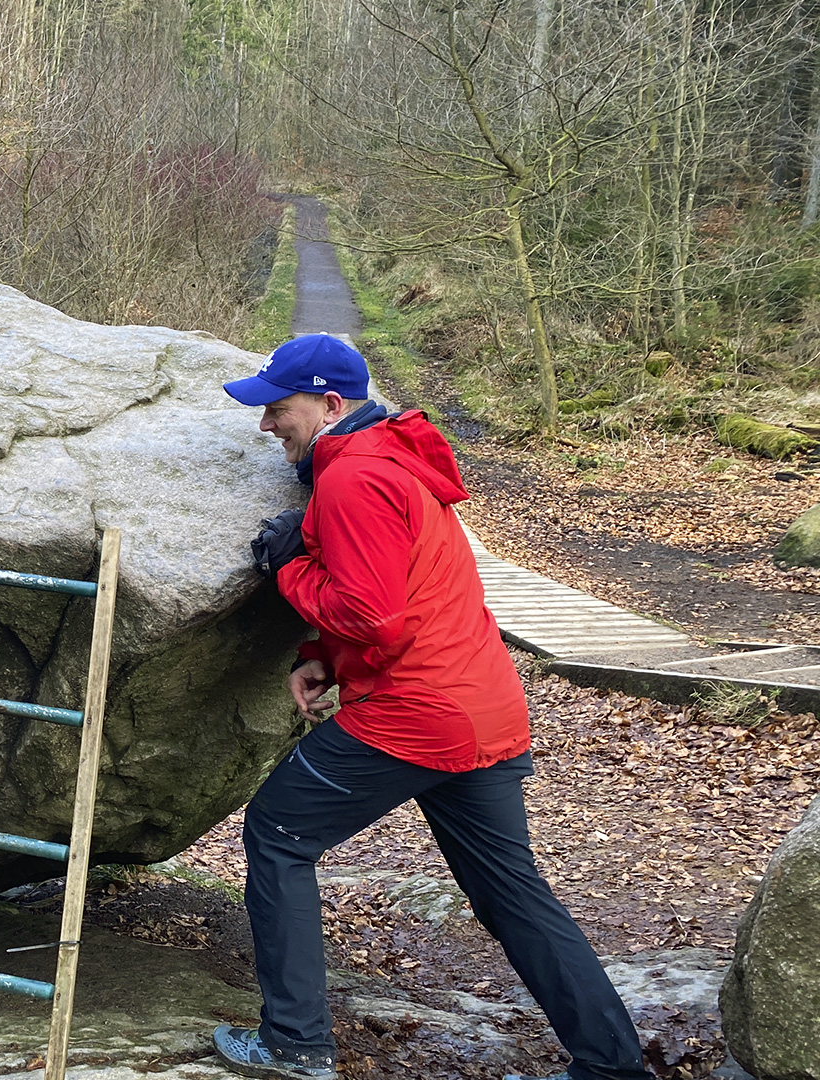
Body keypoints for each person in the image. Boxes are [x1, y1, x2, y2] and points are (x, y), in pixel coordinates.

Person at [208, 333, 652, 1080]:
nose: (265, 426)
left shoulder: (354, 479)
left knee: (279, 833)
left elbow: (374, 615)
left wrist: (288, 567)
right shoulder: (392, 458)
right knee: (513, 894)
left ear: (329, 404)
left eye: (277, 410)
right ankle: (612, 1067)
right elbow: (397, 593)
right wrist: (319, 653)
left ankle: (295, 1045)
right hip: (486, 707)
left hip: (419, 713)